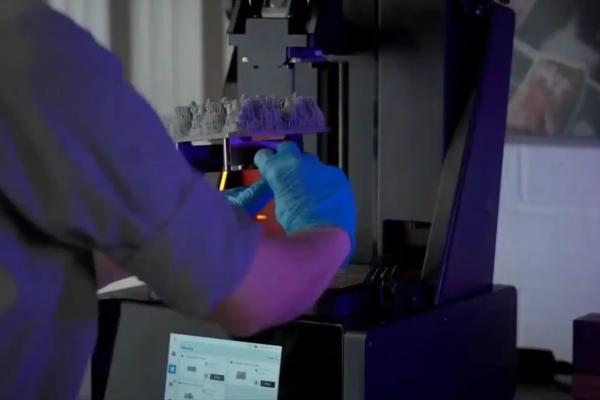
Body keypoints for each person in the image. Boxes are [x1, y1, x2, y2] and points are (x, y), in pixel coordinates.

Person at [0, 2, 355, 399]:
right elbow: (249, 299)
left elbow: (23, 258)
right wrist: (328, 229)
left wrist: (175, 241)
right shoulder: (29, 49)